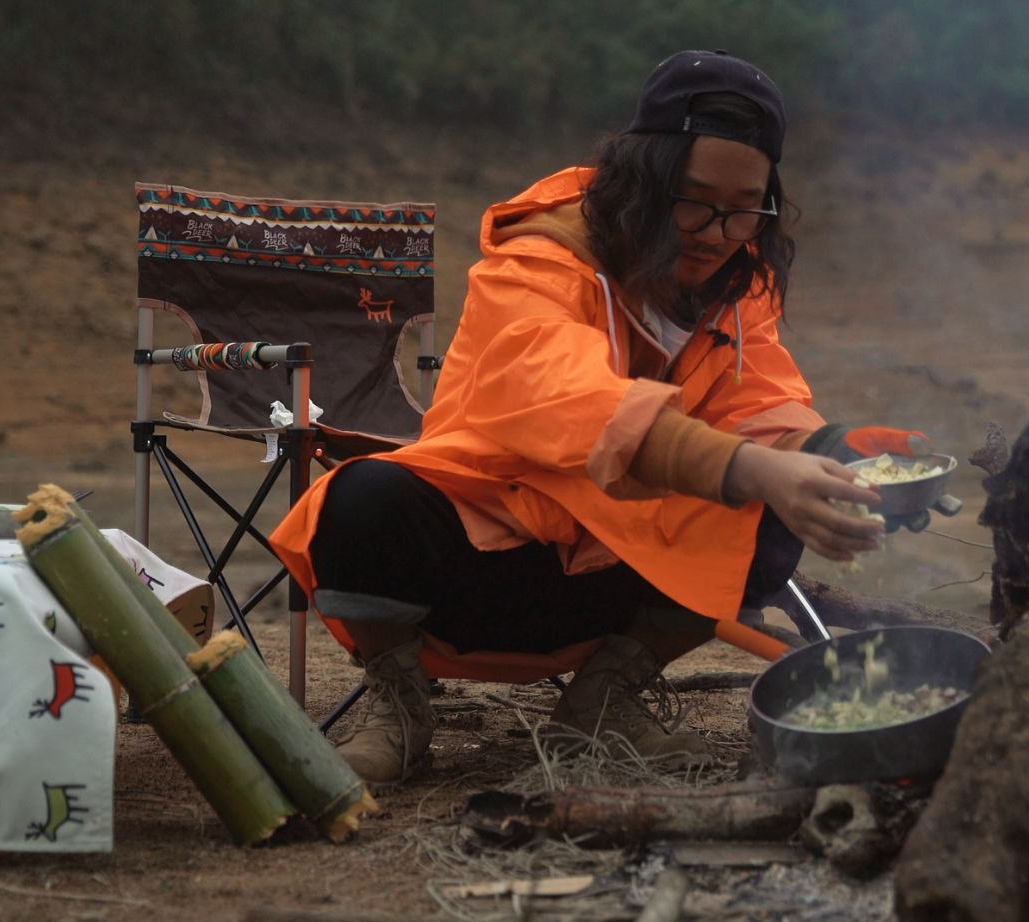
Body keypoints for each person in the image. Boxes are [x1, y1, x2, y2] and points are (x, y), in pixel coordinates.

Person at [270, 49, 933, 788]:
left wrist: (839, 452)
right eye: (693, 199)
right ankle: (401, 710)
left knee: (775, 506)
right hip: (488, 562)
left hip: (618, 578)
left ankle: (605, 700)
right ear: (641, 182)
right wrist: (748, 466)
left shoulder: (737, 286)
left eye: (745, 207)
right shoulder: (541, 262)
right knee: (361, 502)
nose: (716, 231)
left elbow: (761, 406)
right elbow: (562, 393)